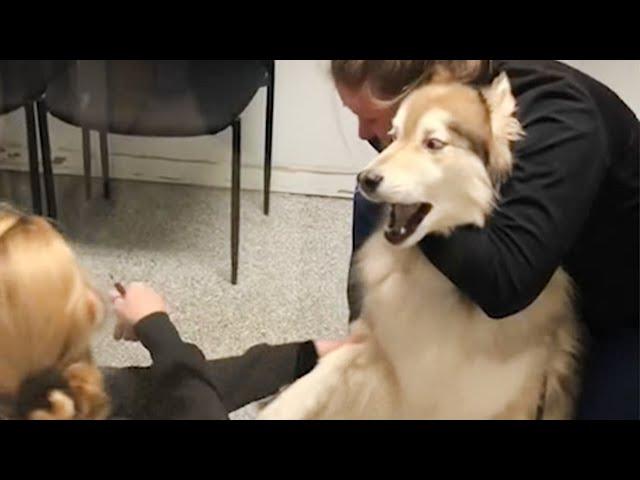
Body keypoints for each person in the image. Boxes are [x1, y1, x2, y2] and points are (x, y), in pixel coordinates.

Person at [330, 60, 639, 419]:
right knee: (377, 200)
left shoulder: (563, 116)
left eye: (369, 119)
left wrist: (415, 210)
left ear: (420, 96)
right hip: (550, 273)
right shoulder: (432, 108)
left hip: (621, 304)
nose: (362, 132)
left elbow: (505, 283)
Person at [0, 205, 343, 420]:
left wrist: (301, 356)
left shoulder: (44, 391)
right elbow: (194, 406)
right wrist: (157, 329)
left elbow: (165, 389)